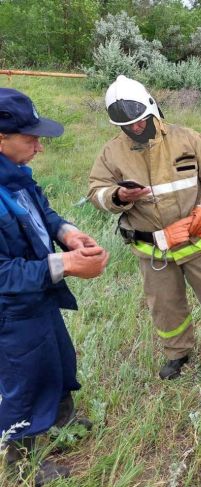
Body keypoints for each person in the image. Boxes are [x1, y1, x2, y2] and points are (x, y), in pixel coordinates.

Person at [87, 75, 201, 380]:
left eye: (140, 121)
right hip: (153, 251)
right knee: (165, 306)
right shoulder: (111, 153)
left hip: (196, 242)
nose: (135, 128)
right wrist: (118, 195)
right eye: (128, 126)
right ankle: (178, 354)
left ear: (152, 109)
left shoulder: (188, 139)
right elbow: (96, 191)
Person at [0, 88, 109, 485]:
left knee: (58, 360)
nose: (39, 148)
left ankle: (62, 421)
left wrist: (69, 234)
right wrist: (65, 264)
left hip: (38, 297)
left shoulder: (14, 177)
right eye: (31, 139)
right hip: (10, 311)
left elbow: (41, 212)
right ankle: (20, 465)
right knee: (24, 381)